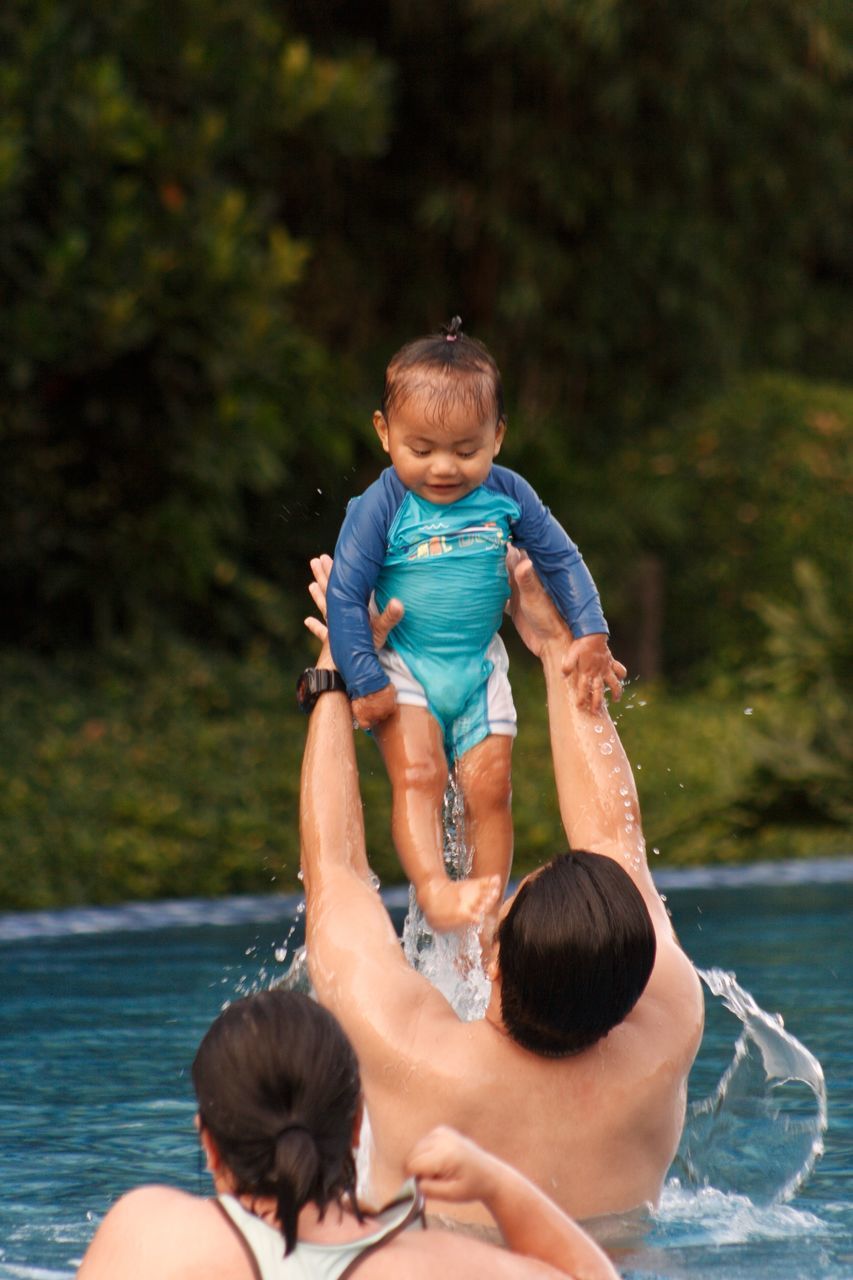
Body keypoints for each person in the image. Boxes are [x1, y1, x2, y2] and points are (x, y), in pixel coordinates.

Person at [300, 550, 704, 1229]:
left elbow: (335, 873)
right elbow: (614, 842)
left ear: (492, 957)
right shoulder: (666, 1025)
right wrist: (555, 649)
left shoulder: (407, 1051)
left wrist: (335, 677)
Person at [325, 317, 623, 932]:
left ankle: (487, 913)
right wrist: (363, 679)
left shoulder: (508, 495)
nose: (444, 468)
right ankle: (435, 890)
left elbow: (561, 558)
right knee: (420, 775)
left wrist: (591, 632)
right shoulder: (382, 505)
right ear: (384, 434)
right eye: (422, 449)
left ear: (498, 436)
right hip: (405, 664)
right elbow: (346, 592)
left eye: (466, 451)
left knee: (490, 790)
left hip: (479, 666)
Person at [77, 989, 619, 1280]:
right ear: (357, 1122)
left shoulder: (147, 1233)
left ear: (210, 1144)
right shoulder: (433, 1265)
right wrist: (497, 1183)